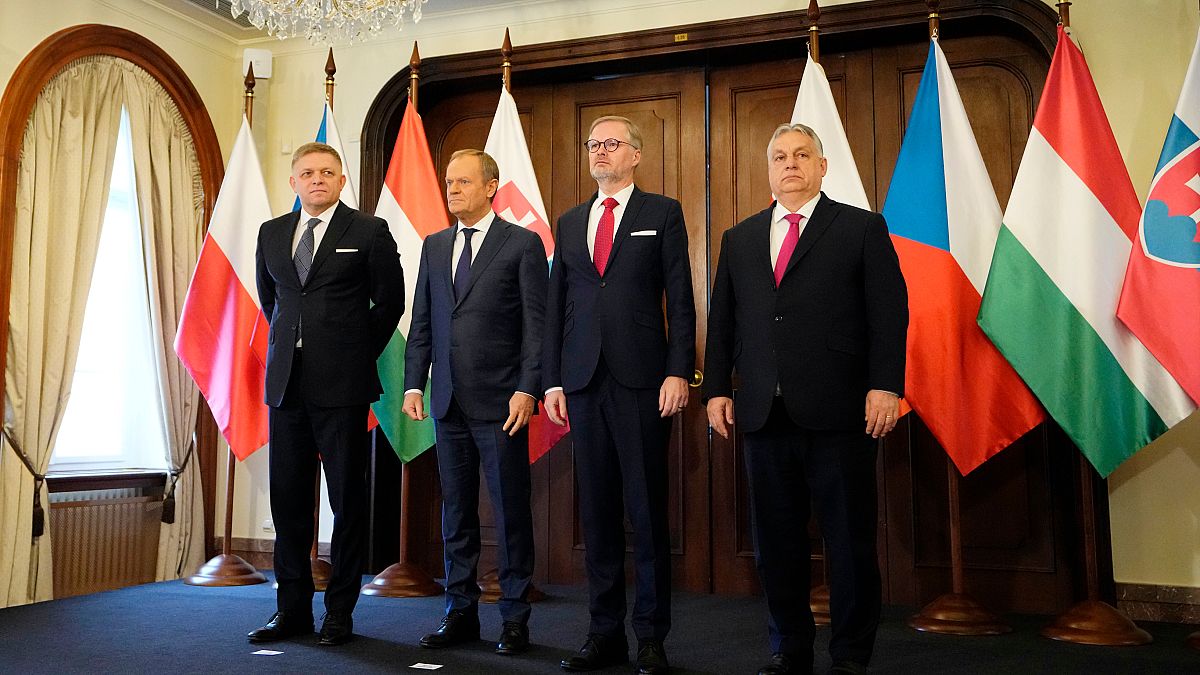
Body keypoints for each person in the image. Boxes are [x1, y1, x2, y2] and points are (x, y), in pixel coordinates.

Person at [704, 123, 908, 675]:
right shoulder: (740, 238)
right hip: (764, 413)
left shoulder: (861, 228)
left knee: (848, 542)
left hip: (841, 411)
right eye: (779, 157)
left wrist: (886, 385)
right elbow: (723, 319)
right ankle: (790, 647)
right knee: (776, 544)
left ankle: (849, 653)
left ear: (822, 166)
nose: (790, 164)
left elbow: (888, 313)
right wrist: (718, 387)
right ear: (768, 169)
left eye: (801, 155)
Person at [544, 115, 696, 675]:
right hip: (582, 383)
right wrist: (552, 379)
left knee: (646, 512)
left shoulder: (662, 213)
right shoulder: (570, 220)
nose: (601, 152)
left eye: (612, 144)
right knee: (598, 513)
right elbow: (558, 304)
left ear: (635, 155)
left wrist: (680, 370)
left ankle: (651, 637)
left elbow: (680, 300)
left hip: (642, 382)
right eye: (594, 144)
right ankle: (602, 632)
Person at [249, 141, 405, 647]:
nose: (317, 180)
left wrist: (355, 352)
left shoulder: (368, 231)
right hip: (286, 388)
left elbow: (391, 302)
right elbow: (272, 301)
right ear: (293, 182)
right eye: (307, 173)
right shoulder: (271, 234)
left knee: (347, 501)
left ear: (341, 182)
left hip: (342, 388)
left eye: (328, 173)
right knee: (288, 503)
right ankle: (291, 610)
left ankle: (340, 611)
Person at [402, 149, 547, 656]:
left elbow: (537, 327)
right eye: (448, 182)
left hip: (503, 404)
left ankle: (514, 618)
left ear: (491, 187)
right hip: (447, 404)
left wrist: (528, 389)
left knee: (509, 514)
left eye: (463, 182)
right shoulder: (434, 245)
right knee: (456, 514)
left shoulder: (522, 244)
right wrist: (413, 384)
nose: (452, 190)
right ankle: (458, 612)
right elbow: (423, 322)